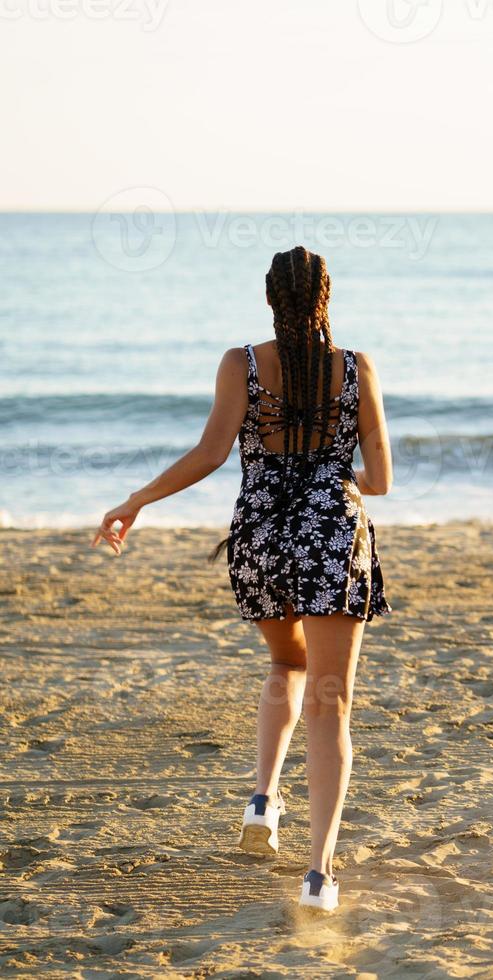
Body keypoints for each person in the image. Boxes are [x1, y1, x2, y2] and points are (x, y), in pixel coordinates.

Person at [92, 246, 391, 912]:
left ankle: (263, 799)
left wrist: (135, 500)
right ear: (326, 300)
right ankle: (318, 875)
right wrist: (337, 477)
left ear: (268, 300)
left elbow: (209, 452)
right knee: (330, 699)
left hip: (258, 538)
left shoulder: (243, 364)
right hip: (331, 536)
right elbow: (381, 480)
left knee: (287, 664)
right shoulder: (356, 368)